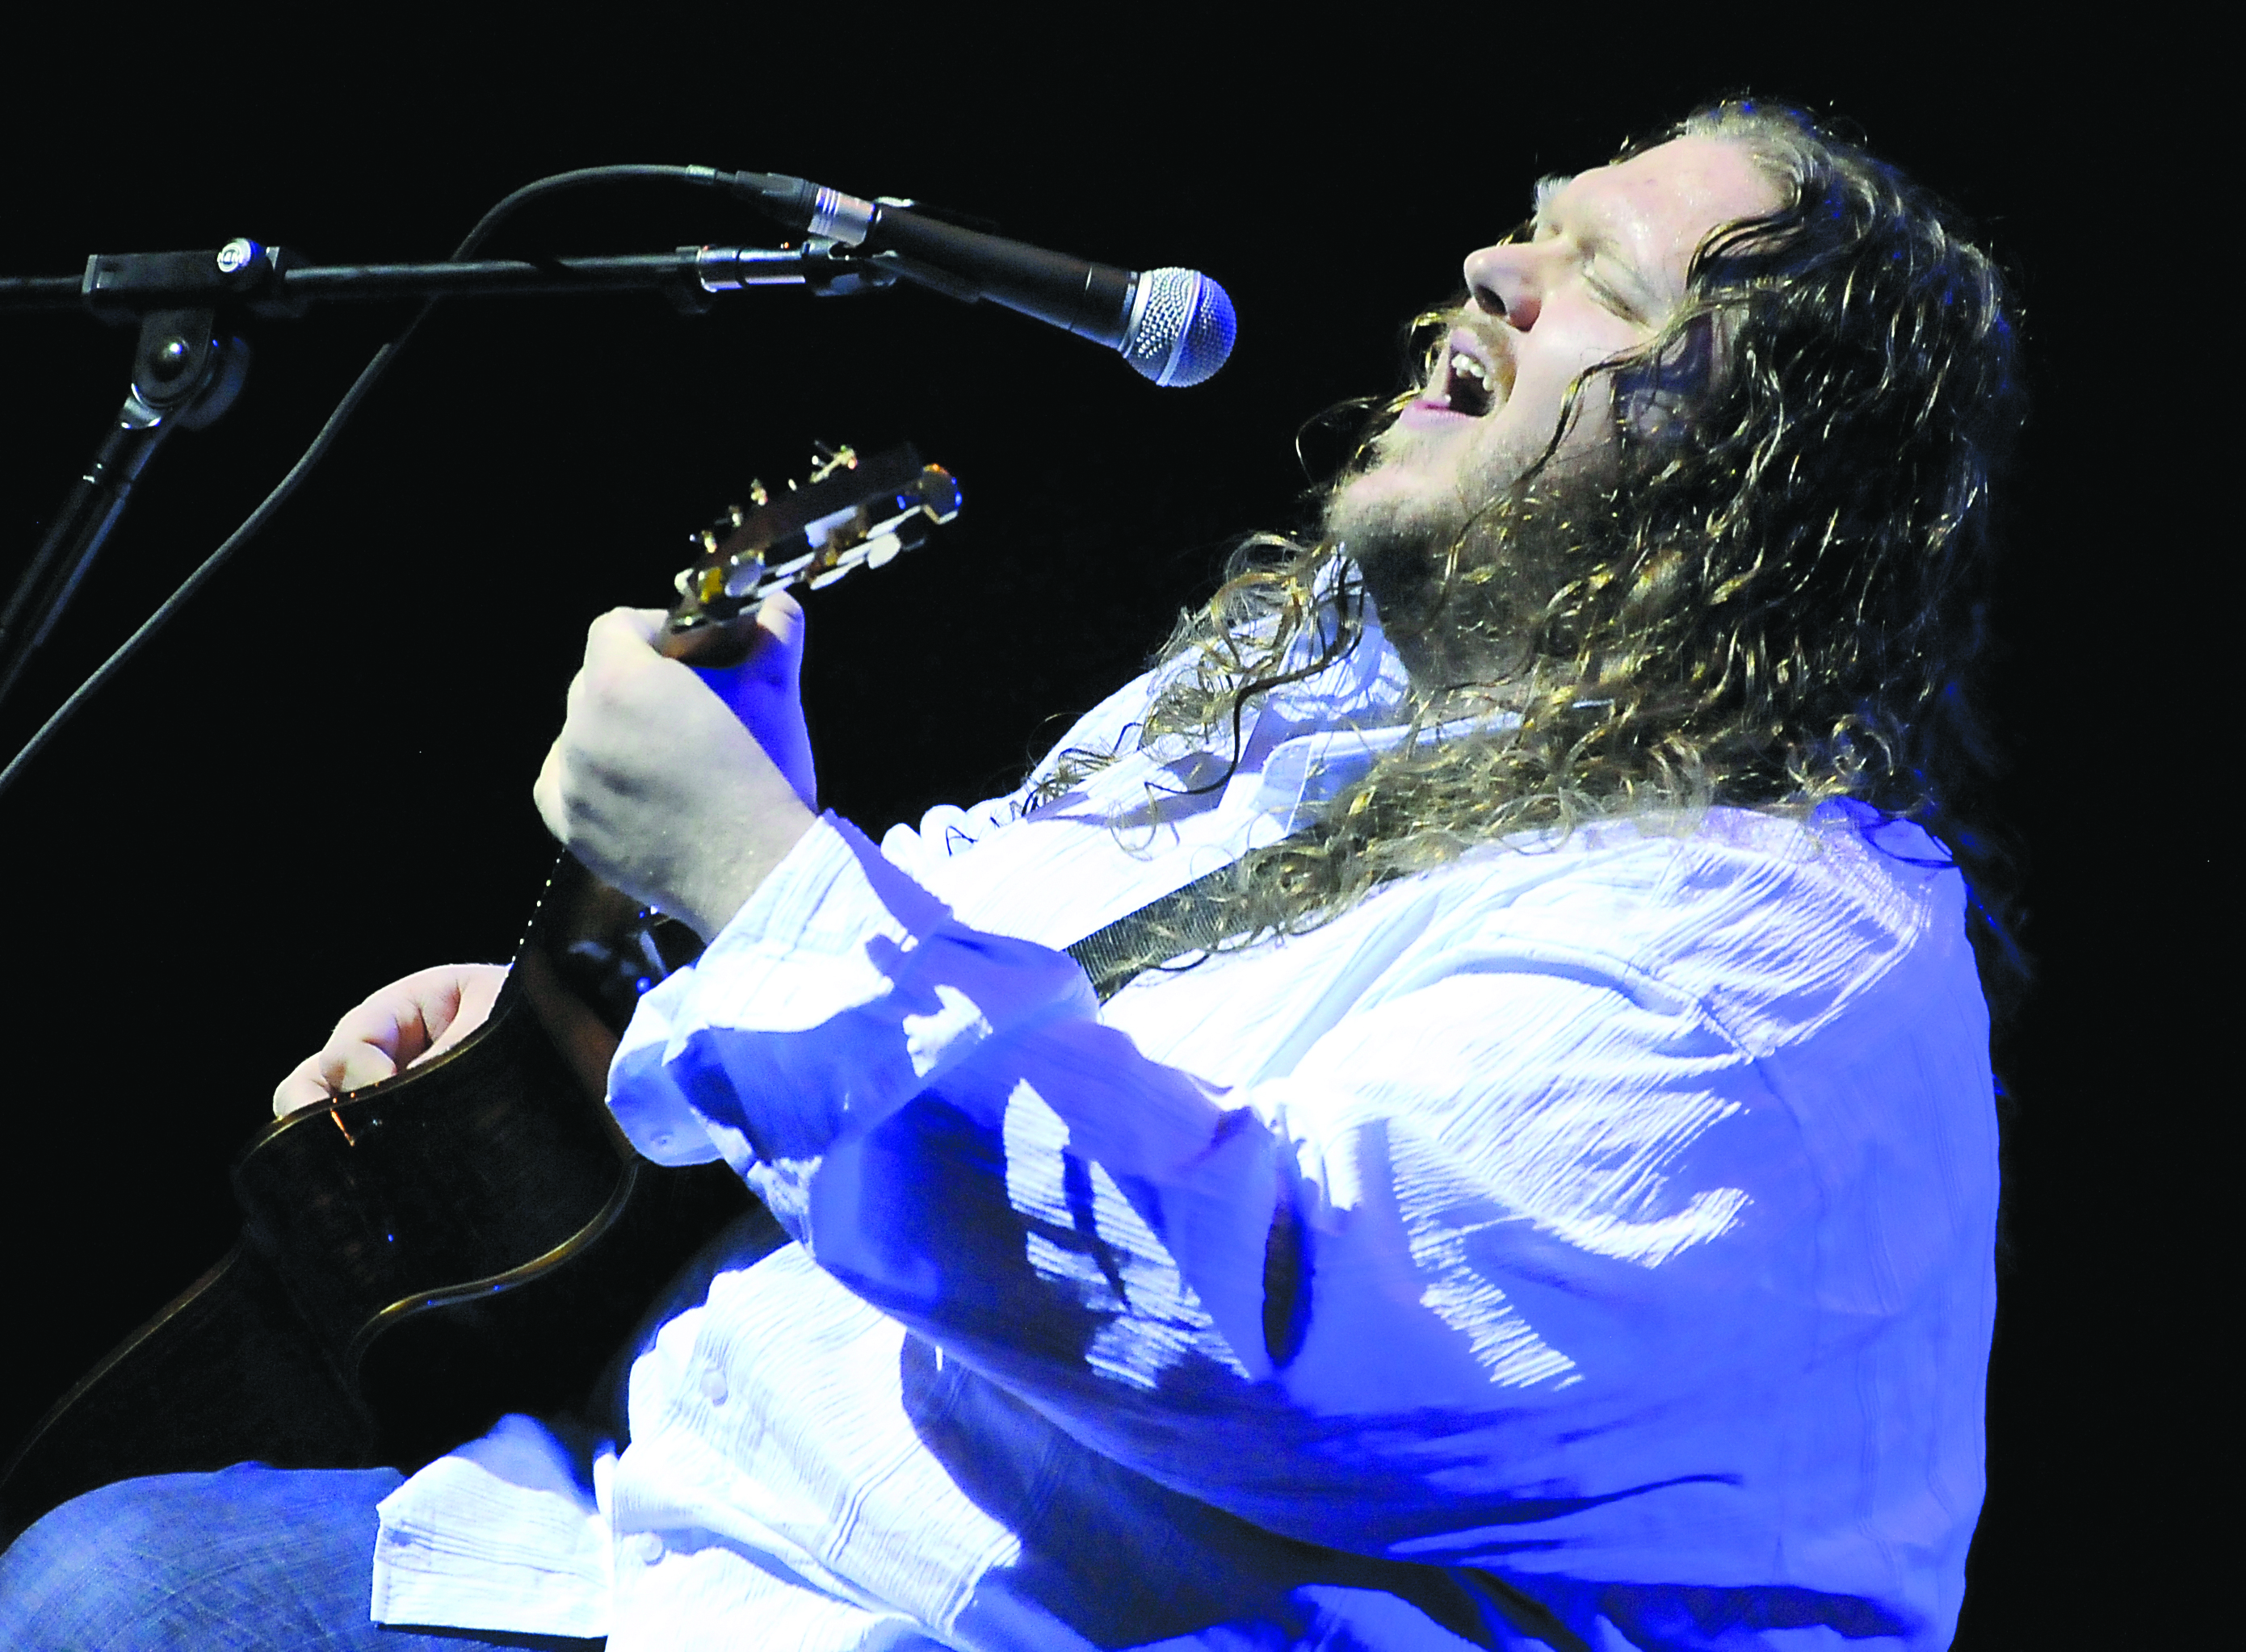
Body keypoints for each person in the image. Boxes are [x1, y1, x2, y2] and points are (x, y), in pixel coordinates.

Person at [0, 99, 2020, 1651]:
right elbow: (922, 980)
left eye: (1609, 282)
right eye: (1533, 222)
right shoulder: (1291, 707)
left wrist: (753, 869)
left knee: (110, 1589)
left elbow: (1267, 1321)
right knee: (105, 1545)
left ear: (1757, 490)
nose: (1500, 264)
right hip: (698, 1534)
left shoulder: (1778, 950)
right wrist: (596, 998)